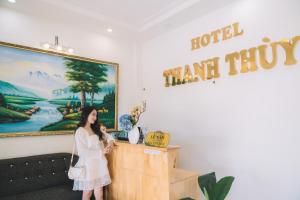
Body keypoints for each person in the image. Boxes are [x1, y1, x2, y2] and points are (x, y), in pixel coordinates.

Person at [72, 106, 114, 200]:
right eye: (93, 114)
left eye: (96, 115)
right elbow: (82, 151)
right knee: (87, 192)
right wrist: (102, 151)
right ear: (86, 114)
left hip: (99, 164)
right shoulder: (80, 131)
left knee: (99, 193)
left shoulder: (95, 128)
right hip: (88, 166)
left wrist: (110, 143)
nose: (95, 117)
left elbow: (109, 137)